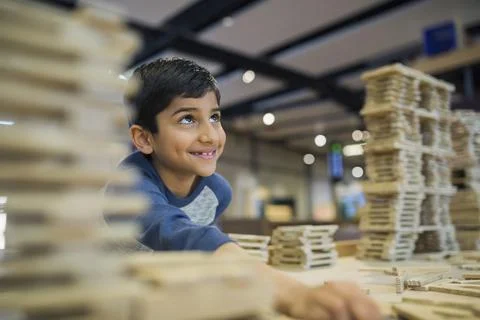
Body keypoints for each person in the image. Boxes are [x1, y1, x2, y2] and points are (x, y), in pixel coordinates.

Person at [119, 57, 381, 320]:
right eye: (187, 119)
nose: (210, 135)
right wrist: (294, 295)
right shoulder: (127, 187)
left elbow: (211, 252)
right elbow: (178, 233)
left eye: (214, 117)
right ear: (144, 138)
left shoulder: (216, 191)